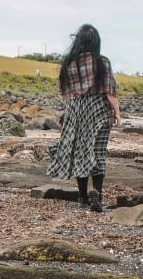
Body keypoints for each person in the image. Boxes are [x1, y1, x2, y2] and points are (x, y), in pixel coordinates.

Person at [47, 24, 121, 212]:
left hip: (75, 110)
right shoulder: (101, 62)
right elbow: (109, 91)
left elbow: (65, 93)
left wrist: (71, 112)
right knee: (98, 152)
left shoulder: (69, 63)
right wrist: (118, 113)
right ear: (96, 42)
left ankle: (82, 197)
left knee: (80, 152)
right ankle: (97, 193)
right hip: (97, 110)